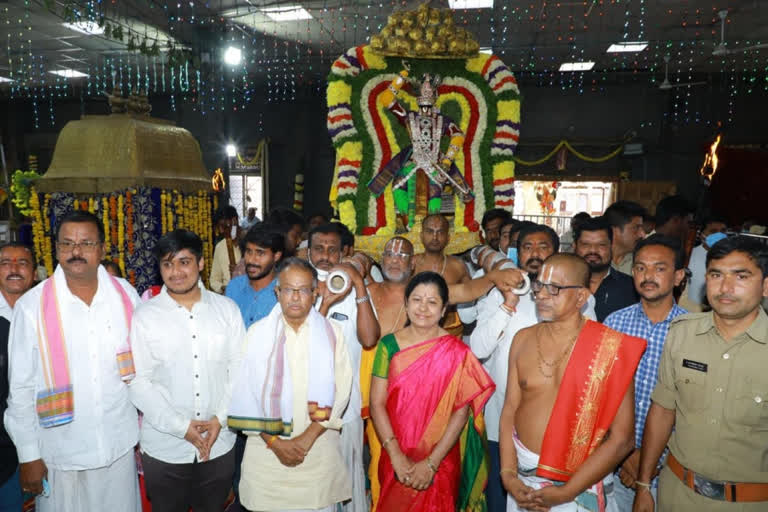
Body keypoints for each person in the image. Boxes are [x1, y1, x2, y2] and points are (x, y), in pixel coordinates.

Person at [4, 211, 142, 511]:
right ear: (55, 249)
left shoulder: (127, 297)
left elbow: (142, 371)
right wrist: (29, 455)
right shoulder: (32, 307)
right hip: (60, 454)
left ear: (103, 248)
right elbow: (21, 388)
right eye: (67, 244)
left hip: (116, 450)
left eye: (86, 243)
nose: (76, 252)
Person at [500, 253, 646, 511]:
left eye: (554, 288)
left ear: (581, 297)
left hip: (579, 483)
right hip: (523, 481)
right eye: (539, 285)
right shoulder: (522, 339)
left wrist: (567, 492)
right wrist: (508, 475)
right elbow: (510, 408)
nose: (542, 295)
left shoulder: (610, 349)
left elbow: (622, 439)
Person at [633, 236, 768, 512]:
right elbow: (661, 411)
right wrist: (644, 484)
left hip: (749, 502)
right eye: (716, 275)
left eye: (741, 276)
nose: (726, 287)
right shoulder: (681, 333)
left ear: (765, 285)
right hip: (676, 494)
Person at [128, 229, 245, 511]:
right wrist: (183, 429)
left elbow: (240, 371)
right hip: (165, 447)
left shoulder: (226, 310)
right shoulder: (145, 316)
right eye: (167, 264)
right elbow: (139, 382)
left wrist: (220, 420)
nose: (176, 272)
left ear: (201, 263)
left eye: (184, 262)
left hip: (219, 443)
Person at [229, 257, 353, 511]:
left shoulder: (332, 334)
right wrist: (276, 444)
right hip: (266, 458)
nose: (295, 297)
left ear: (315, 294)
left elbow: (341, 392)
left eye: (303, 290)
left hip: (316, 454)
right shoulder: (256, 335)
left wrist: (307, 439)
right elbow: (242, 394)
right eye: (288, 289)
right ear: (277, 292)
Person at [370, 271, 495, 511]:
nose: (423, 308)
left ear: (444, 308)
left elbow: (460, 413)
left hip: (440, 458)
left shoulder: (458, 352)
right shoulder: (388, 346)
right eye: (417, 300)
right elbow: (377, 403)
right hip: (395, 452)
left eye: (432, 302)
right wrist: (395, 454)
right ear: (406, 304)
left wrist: (431, 463)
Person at [603, 235, 688, 510]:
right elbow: (600, 393)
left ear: (678, 277)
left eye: (659, 268)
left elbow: (691, 406)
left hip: (667, 469)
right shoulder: (615, 323)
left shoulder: (691, 331)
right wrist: (625, 454)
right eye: (640, 268)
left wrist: (649, 463)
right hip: (614, 463)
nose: (647, 275)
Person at [308, 223, 380, 512]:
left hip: (345, 405)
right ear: (308, 250)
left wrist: (359, 284)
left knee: (347, 481)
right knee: (313, 484)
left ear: (343, 251)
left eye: (332, 249)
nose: (325, 255)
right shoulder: (298, 286)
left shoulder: (351, 287)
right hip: (304, 407)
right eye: (318, 248)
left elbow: (369, 338)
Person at [0, 243, 36, 511]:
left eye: (22, 262)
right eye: (5, 262)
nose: (14, 268)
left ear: (34, 273)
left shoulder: (44, 316)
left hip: (37, 443)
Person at [413, 214, 472, 336]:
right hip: (415, 331)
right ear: (421, 236)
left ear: (448, 238)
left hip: (450, 332)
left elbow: (470, 297)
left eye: (440, 232)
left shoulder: (458, 266)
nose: (435, 237)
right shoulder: (411, 263)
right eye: (430, 231)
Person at [574, 216, 637, 322]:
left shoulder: (632, 288)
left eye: (601, 245)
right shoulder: (559, 286)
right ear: (574, 246)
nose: (593, 250)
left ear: (611, 247)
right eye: (586, 244)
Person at [226, 226, 284, 329]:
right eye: (248, 252)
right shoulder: (234, 287)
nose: (252, 260)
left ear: (276, 256)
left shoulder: (285, 292)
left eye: (260, 253)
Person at [682, 215, 728, 310]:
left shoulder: (732, 259)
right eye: (713, 231)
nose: (719, 235)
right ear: (701, 234)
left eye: (723, 231)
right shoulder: (689, 257)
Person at [604, 200, 647, 276]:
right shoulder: (595, 261)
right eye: (636, 227)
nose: (642, 234)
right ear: (614, 231)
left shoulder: (642, 261)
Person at [210, 206, 242, 293]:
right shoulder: (220, 247)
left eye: (224, 226)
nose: (221, 231)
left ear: (234, 221)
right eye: (218, 227)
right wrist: (223, 288)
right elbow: (214, 280)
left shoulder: (251, 244)